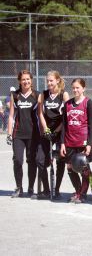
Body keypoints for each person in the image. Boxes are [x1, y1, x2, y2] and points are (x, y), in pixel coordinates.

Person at [60, 78, 92, 204]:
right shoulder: (68, 104)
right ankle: (78, 190)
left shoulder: (88, 103)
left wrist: (90, 144)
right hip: (70, 141)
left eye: (78, 88)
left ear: (83, 89)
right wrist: (62, 143)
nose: (75, 90)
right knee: (70, 167)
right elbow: (64, 125)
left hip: (83, 142)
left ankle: (83, 194)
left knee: (83, 168)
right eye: (73, 88)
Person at [35, 71, 69, 199]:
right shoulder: (43, 94)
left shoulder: (63, 94)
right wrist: (46, 130)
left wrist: (56, 131)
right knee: (40, 160)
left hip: (59, 132)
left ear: (57, 81)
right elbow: (40, 114)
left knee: (60, 160)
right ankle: (47, 190)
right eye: (47, 81)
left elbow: (65, 117)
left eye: (51, 80)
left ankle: (56, 189)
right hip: (47, 131)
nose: (49, 83)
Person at [6, 70, 40, 198]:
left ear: (31, 80)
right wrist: (9, 134)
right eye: (23, 79)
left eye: (28, 79)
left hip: (33, 134)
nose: (26, 81)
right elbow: (11, 116)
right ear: (19, 81)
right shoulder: (15, 95)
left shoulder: (37, 95)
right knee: (18, 160)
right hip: (18, 134)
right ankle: (19, 188)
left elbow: (41, 115)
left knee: (31, 161)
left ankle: (31, 188)